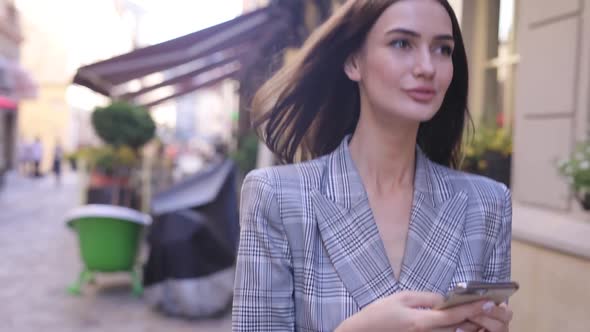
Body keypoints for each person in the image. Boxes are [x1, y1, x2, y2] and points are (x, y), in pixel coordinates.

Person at [232, 0, 513, 331]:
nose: (427, 66)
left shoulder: (488, 204)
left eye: (442, 49)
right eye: (402, 43)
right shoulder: (278, 197)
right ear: (353, 61)